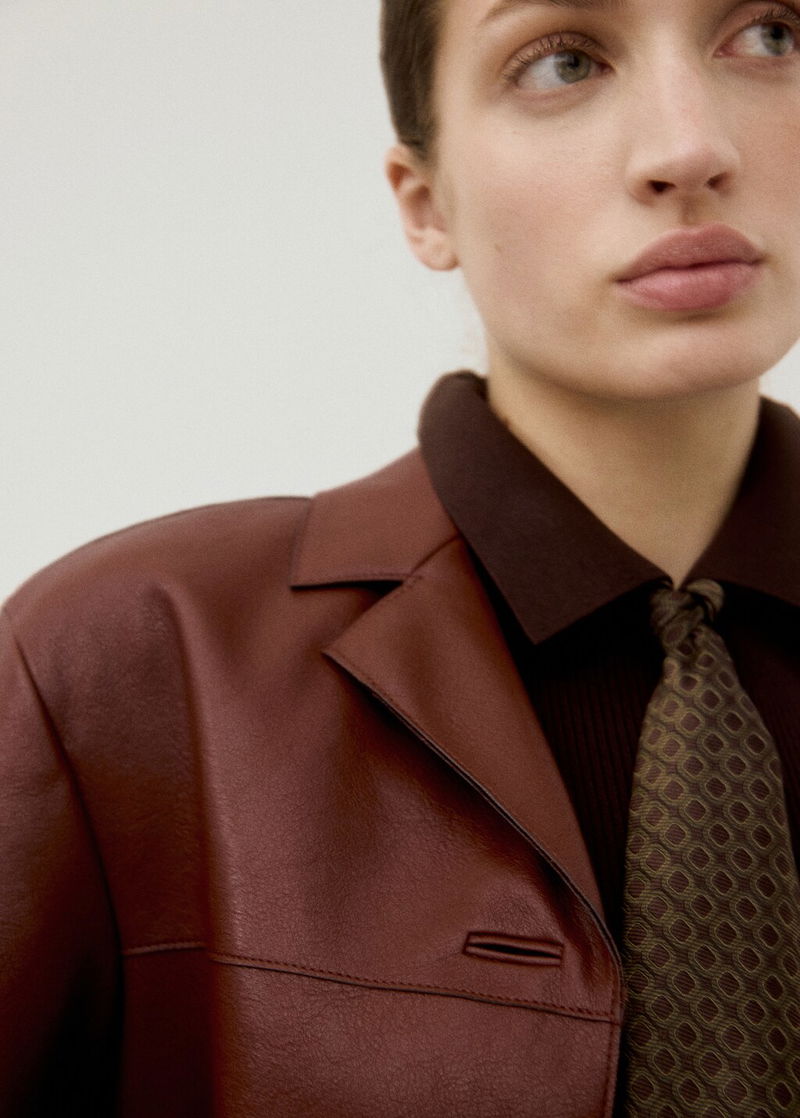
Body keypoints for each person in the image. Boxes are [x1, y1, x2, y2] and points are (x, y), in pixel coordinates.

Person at [2, 0, 800, 1114]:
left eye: (770, 36)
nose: (689, 146)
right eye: (560, 62)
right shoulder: (118, 666)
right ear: (426, 205)